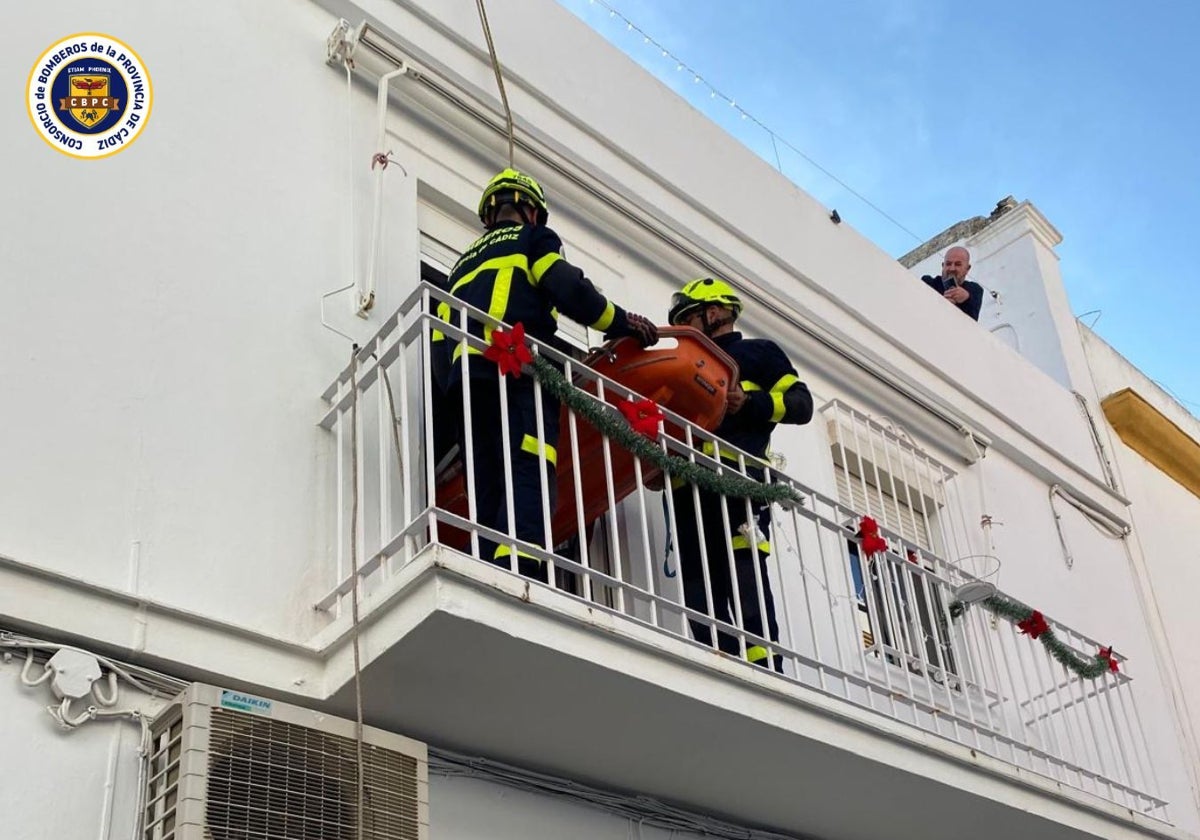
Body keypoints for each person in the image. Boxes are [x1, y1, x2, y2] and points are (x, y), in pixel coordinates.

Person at [443, 168, 659, 578]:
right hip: (517, 369)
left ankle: (488, 563)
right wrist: (622, 324)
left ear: (489, 214)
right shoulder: (534, 240)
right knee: (529, 460)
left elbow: (439, 338)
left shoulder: (460, 264)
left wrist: (451, 381)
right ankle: (522, 561)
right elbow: (569, 288)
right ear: (532, 212)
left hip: (464, 384)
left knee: (486, 471)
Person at [666, 278, 813, 670]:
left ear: (713, 313)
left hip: (739, 482)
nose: (686, 331)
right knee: (697, 580)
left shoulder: (758, 354)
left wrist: (750, 403)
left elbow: (801, 405)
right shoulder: (683, 360)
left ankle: (764, 666)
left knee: (744, 571)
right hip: (686, 485)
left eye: (689, 319)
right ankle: (718, 661)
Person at [921, 246, 983, 321]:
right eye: (948, 264)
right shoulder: (929, 283)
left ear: (967, 268)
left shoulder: (974, 290)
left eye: (958, 264)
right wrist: (941, 303)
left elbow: (972, 321)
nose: (952, 268)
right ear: (943, 266)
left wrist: (966, 299)